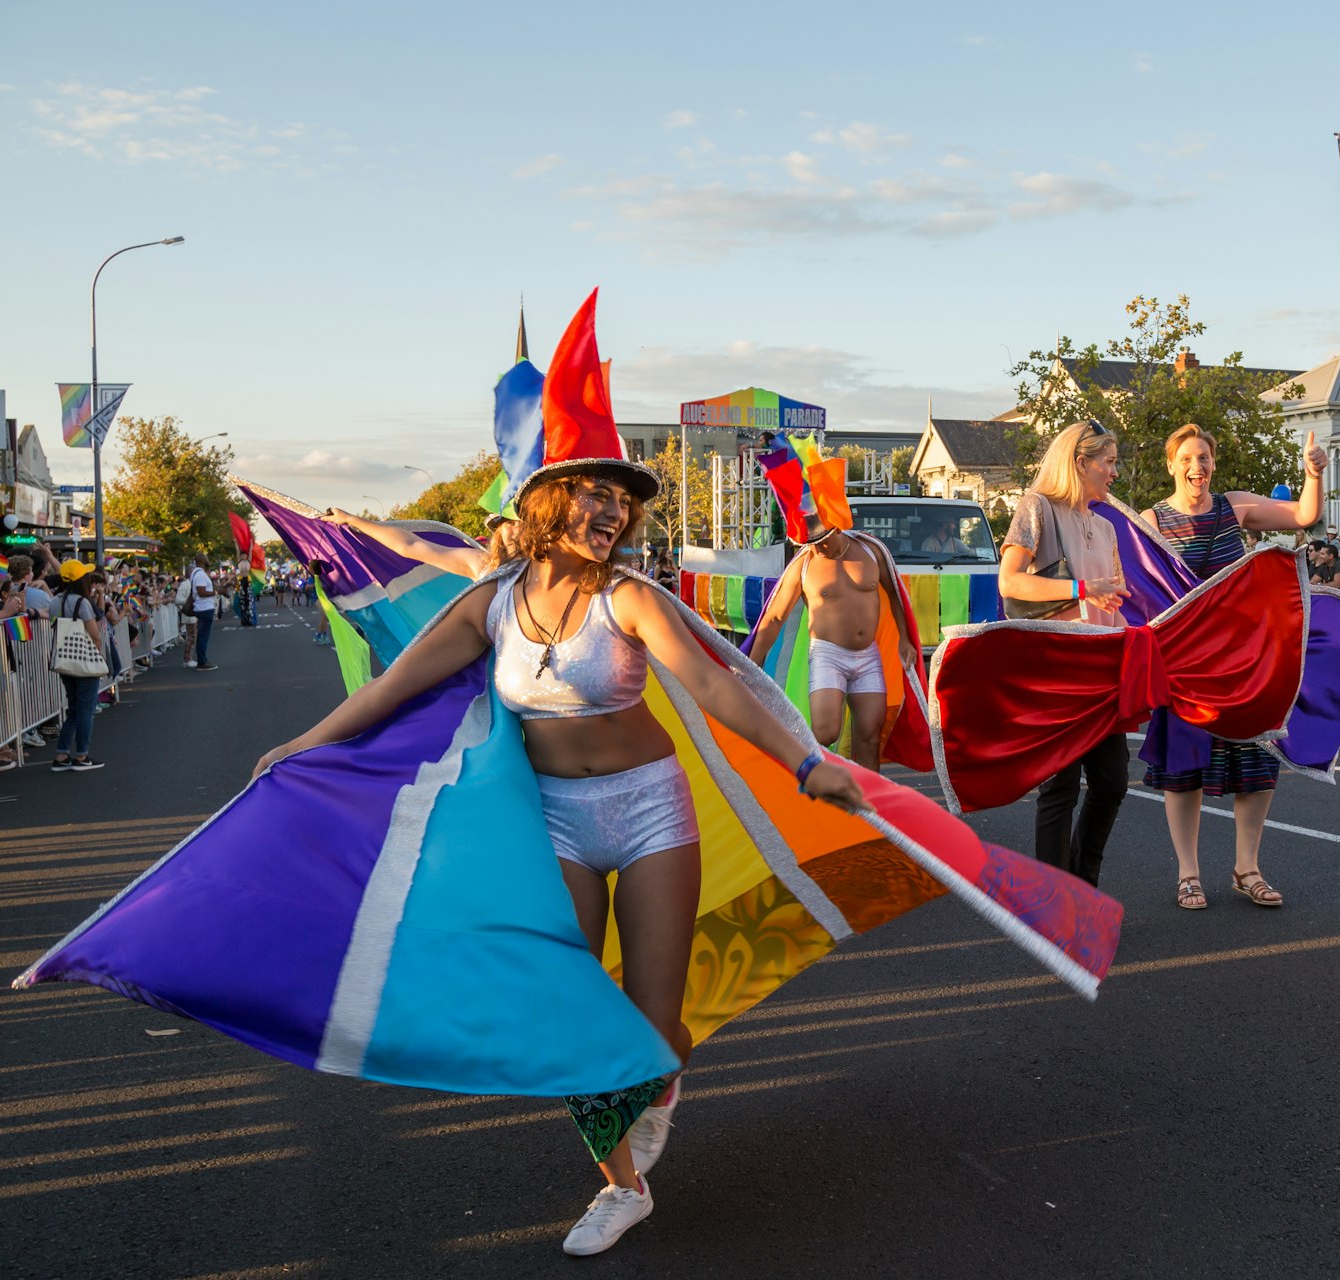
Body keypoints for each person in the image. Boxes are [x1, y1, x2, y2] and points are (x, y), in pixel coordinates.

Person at [254, 457, 868, 1257]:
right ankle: (623, 1188)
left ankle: (658, 1083)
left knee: (654, 1027)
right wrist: (300, 746)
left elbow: (718, 692)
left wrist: (805, 762)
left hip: (651, 812)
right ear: (548, 504)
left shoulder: (631, 598)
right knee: (566, 1013)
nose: (612, 510)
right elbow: (392, 689)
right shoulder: (493, 602)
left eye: (622, 502)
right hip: (556, 824)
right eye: (595, 493)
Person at [1138, 424, 1327, 910]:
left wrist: (1313, 473)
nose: (1195, 467)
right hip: (1184, 664)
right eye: (1185, 458)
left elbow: (1305, 514)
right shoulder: (1151, 521)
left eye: (1203, 458)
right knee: (1183, 770)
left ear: (1213, 464)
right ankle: (1189, 874)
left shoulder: (1235, 506)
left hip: (1243, 660)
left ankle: (1248, 869)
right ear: (1171, 465)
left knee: (1258, 763)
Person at [998, 421, 1130, 886]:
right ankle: (1058, 900)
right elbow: (1010, 581)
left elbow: (1108, 601)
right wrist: (1080, 587)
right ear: (1080, 462)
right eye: (1108, 462)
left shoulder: (1107, 527)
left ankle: (1079, 883)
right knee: (1060, 787)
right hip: (1054, 667)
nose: (1115, 472)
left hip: (1099, 670)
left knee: (1112, 782)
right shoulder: (1038, 507)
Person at [746, 436, 922, 773]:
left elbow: (897, 596)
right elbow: (773, 619)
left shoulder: (872, 552)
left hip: (868, 656)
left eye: (823, 540)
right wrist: (750, 668)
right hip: (828, 655)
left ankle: (864, 813)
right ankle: (815, 791)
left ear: (837, 527)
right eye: (811, 542)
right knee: (825, 732)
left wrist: (903, 638)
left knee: (868, 739)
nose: (818, 547)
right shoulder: (804, 564)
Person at [320, 507, 516, 580]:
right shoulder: (484, 564)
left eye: (522, 522)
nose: (514, 529)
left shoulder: (545, 572)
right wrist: (352, 520)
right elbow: (410, 545)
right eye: (508, 523)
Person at [50, 561, 108, 772]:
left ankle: (62, 754)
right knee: (85, 710)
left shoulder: (55, 601)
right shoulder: (82, 603)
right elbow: (94, 634)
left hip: (64, 658)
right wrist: (99, 655)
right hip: (83, 659)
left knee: (73, 709)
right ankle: (81, 755)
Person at [186, 553, 219, 670]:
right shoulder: (200, 574)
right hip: (204, 608)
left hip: (202, 607)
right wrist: (215, 592)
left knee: (202, 635)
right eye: (206, 558)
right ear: (202, 561)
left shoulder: (197, 573)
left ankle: (202, 659)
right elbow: (201, 592)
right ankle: (202, 661)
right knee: (203, 636)